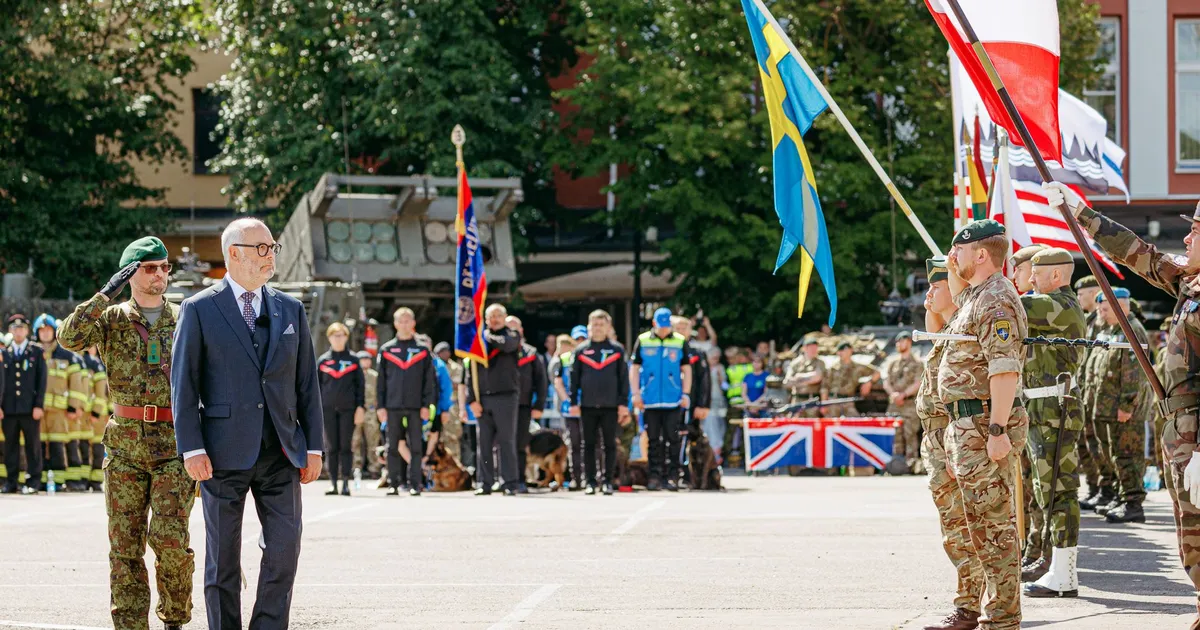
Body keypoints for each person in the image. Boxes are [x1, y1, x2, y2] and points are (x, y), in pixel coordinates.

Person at [1048, 182, 1200, 620]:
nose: (1186, 238)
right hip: (1180, 433)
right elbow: (1142, 255)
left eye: (1196, 231)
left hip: (1195, 436)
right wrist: (1084, 215)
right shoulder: (1191, 282)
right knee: (1192, 539)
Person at [172, 218, 324, 629]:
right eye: (262, 247)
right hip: (220, 453)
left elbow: (306, 380)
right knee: (222, 557)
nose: (270, 254)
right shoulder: (199, 308)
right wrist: (191, 447)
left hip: (282, 450)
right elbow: (183, 383)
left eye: (272, 247)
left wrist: (313, 446)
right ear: (233, 253)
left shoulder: (289, 307)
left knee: (284, 550)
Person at [59, 237, 197, 630]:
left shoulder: (186, 315)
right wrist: (105, 294)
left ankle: (174, 618)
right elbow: (70, 337)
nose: (160, 274)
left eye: (165, 267)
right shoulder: (111, 318)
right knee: (124, 547)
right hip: (124, 447)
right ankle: (131, 625)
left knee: (170, 541)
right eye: (150, 267)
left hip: (174, 443)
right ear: (131, 273)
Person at [939, 219, 1029, 629]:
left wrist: (996, 431)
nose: (950, 257)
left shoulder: (996, 300)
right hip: (967, 426)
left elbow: (1004, 369)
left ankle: (1004, 619)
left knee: (994, 530)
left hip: (982, 426)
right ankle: (989, 613)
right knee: (977, 527)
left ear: (980, 254)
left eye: (957, 250)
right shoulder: (978, 296)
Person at [917, 256, 985, 630]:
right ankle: (972, 603)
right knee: (955, 531)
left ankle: (970, 608)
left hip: (957, 444)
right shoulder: (946, 337)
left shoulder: (965, 334)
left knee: (966, 529)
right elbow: (935, 333)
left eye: (936, 286)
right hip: (941, 446)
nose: (929, 293)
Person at [1017, 247, 1087, 597]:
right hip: (1043, 407)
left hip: (1054, 409)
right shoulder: (1051, 305)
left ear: (1056, 276)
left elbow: (1010, 307)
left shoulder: (1059, 305)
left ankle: (1064, 575)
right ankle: (1056, 567)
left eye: (1036, 274)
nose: (1030, 280)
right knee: (1048, 492)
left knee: (1060, 492)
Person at [1083, 288, 1149, 526]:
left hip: (1125, 410)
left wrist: (1127, 405)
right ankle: (1123, 499)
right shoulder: (1112, 330)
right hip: (1109, 408)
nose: (1101, 312)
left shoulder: (1131, 330)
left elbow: (1133, 373)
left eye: (1105, 309)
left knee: (1127, 456)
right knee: (1116, 456)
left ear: (1122, 307)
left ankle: (1133, 504)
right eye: (1100, 309)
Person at [630, 307, 692, 491]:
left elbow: (687, 369)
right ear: (654, 324)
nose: (664, 330)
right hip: (650, 399)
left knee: (673, 439)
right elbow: (634, 368)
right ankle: (655, 475)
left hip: (673, 399)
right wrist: (636, 394)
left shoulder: (679, 341)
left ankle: (673, 476)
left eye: (667, 326)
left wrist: (686, 393)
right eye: (661, 326)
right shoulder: (643, 340)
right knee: (653, 440)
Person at [569, 309, 630, 495]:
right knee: (588, 444)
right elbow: (574, 378)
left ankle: (607, 481)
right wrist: (573, 402)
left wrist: (623, 403)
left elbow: (623, 379)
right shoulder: (580, 351)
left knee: (609, 445)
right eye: (594, 324)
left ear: (608, 327)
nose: (597, 328)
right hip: (587, 405)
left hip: (610, 406)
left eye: (601, 324)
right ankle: (590, 482)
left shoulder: (617, 350)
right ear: (589, 327)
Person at [376, 308, 436, 496]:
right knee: (392, 446)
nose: (404, 324)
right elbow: (381, 381)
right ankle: (394, 483)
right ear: (395, 324)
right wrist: (381, 406)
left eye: (407, 320)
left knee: (416, 446)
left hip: (416, 406)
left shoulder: (422, 350)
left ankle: (415, 484)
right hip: (392, 406)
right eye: (400, 321)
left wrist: (427, 405)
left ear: (413, 323)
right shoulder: (386, 350)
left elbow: (429, 381)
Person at [464, 304, 522, 496]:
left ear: (504, 318)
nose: (495, 319)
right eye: (491, 316)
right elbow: (469, 373)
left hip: (506, 397)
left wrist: (484, 335)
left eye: (498, 316)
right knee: (484, 444)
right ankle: (485, 482)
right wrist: (471, 400)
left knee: (506, 441)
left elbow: (506, 345)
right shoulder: (477, 342)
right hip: (483, 398)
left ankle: (510, 482)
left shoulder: (512, 335)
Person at [34, 314, 88, 491]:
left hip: (59, 411)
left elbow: (77, 384)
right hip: (38, 410)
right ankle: (39, 480)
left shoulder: (66, 355)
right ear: (37, 333)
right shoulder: (33, 353)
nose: (45, 334)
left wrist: (73, 406)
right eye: (42, 331)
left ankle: (59, 481)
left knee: (58, 445)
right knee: (38, 446)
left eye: (48, 330)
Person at [1072, 274, 1112, 511]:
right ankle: (1096, 488)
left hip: (1102, 396)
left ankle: (1107, 489)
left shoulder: (1104, 320)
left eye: (1081, 293)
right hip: (1087, 391)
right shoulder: (1088, 320)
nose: (1078, 298)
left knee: (1102, 447)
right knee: (1087, 445)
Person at [316, 322, 366, 496]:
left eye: (341, 335)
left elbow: (360, 386)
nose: (338, 338)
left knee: (346, 446)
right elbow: (316, 387)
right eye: (334, 335)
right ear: (329, 337)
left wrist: (361, 407)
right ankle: (333, 484)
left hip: (348, 409)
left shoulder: (353, 360)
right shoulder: (323, 361)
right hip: (327, 409)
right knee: (331, 447)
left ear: (346, 337)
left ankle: (345, 482)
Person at [2, 314, 46, 494]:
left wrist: (39, 405)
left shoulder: (36, 351)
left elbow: (41, 381)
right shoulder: (4, 353)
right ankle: (11, 481)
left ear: (27, 331)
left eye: (21, 328)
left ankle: (33, 481)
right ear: (10, 331)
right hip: (9, 408)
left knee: (32, 446)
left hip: (30, 408)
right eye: (14, 328)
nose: (18, 331)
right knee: (10, 446)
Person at [507, 316, 548, 494]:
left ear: (522, 331)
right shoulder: (497, 352)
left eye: (516, 329)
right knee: (501, 444)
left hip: (523, 405)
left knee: (520, 444)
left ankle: (520, 480)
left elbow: (541, 381)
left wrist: (538, 405)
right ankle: (502, 479)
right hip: (502, 405)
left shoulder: (531, 354)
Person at [882, 331, 922, 473]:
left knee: (910, 435)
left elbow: (918, 382)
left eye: (902, 341)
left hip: (909, 405)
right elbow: (886, 381)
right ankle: (896, 465)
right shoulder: (893, 363)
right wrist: (893, 394)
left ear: (909, 342)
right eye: (898, 342)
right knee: (895, 436)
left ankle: (912, 466)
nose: (899, 344)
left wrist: (903, 394)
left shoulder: (917, 363)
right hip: (894, 404)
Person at [551, 329, 585, 489]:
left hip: (587, 408)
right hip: (569, 409)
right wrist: (570, 403)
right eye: (577, 338)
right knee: (574, 444)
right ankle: (576, 478)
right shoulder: (563, 359)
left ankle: (590, 476)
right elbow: (557, 382)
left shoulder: (589, 355)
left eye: (582, 338)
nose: (580, 341)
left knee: (591, 444)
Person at [821, 342, 878, 417]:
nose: (842, 353)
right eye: (840, 351)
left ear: (851, 351)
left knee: (854, 424)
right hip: (833, 401)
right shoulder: (832, 368)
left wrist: (869, 383)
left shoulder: (858, 367)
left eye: (845, 350)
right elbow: (825, 386)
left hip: (849, 401)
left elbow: (877, 372)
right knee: (831, 425)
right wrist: (824, 404)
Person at [351, 350, 382, 480]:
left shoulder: (374, 376)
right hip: (356, 411)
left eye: (368, 359)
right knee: (355, 441)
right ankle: (355, 468)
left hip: (371, 412)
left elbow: (379, 393)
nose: (366, 361)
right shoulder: (353, 375)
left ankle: (374, 468)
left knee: (373, 441)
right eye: (363, 359)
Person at [81, 346, 108, 492]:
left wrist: (97, 412)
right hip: (86, 414)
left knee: (97, 448)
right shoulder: (83, 361)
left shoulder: (98, 364)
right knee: (85, 447)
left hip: (99, 414)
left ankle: (96, 481)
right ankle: (85, 479)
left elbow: (103, 391)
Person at [435, 341, 465, 460]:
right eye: (440, 352)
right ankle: (431, 474)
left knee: (453, 438)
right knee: (435, 440)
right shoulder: (434, 365)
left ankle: (455, 466)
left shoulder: (456, 368)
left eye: (445, 351)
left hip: (452, 407)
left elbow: (458, 384)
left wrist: (443, 382)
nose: (444, 354)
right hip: (436, 407)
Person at [783, 337, 825, 410]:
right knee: (795, 421)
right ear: (804, 348)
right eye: (811, 348)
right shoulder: (795, 363)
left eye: (815, 348)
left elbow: (817, 378)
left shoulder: (820, 363)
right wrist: (809, 379)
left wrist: (798, 377)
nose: (814, 350)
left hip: (812, 401)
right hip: (797, 401)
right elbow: (787, 382)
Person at [704, 347, 729, 462]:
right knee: (710, 426)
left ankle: (717, 451)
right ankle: (714, 452)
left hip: (719, 402)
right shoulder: (703, 368)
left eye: (717, 358)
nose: (716, 360)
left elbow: (725, 387)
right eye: (713, 358)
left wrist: (720, 377)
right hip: (707, 402)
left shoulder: (720, 368)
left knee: (720, 427)